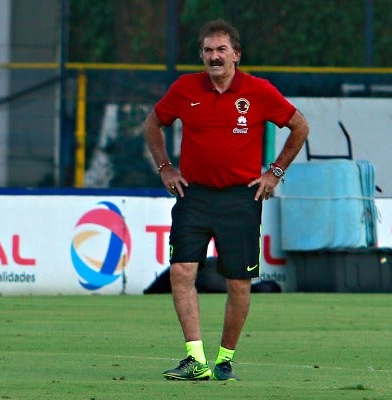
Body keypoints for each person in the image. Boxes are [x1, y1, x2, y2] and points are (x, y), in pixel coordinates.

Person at [143, 19, 309, 381]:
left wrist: (275, 172)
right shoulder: (186, 88)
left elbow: (300, 126)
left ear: (236, 55)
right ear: (201, 55)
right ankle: (194, 358)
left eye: (221, 50)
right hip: (194, 195)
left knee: (238, 282)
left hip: (240, 198)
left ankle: (224, 359)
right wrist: (166, 167)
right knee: (181, 271)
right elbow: (152, 124)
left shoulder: (259, 91)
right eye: (207, 50)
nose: (214, 57)